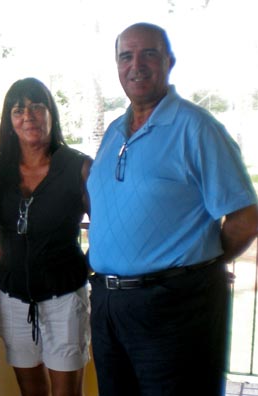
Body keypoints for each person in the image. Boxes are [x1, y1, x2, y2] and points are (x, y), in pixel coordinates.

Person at [87, 22, 258, 395]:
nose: (137, 65)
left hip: (175, 306)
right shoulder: (114, 131)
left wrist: (204, 261)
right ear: (117, 66)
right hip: (109, 305)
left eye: (149, 53)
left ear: (169, 61)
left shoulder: (196, 128)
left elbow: (246, 217)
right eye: (126, 56)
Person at [0, 77, 92, 396]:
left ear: (51, 114)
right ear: (9, 119)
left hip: (64, 296)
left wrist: (81, 267)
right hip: (13, 296)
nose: (28, 116)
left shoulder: (78, 166)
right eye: (18, 109)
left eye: (37, 106)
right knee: (31, 389)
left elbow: (104, 226)